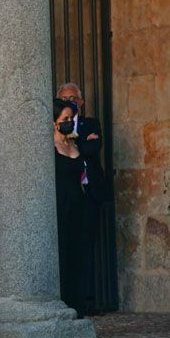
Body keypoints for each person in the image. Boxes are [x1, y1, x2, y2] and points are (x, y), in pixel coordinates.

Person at [53, 97, 102, 318]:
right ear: (54, 122)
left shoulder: (73, 143)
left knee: (81, 256)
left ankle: (80, 304)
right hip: (61, 207)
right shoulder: (50, 148)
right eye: (65, 119)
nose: (69, 122)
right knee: (64, 256)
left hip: (79, 206)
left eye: (71, 118)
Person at [56, 82, 102, 161]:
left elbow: (90, 149)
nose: (67, 102)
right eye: (63, 99)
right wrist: (82, 141)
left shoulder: (91, 124)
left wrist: (68, 141)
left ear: (81, 102)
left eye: (72, 98)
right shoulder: (53, 125)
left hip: (88, 172)